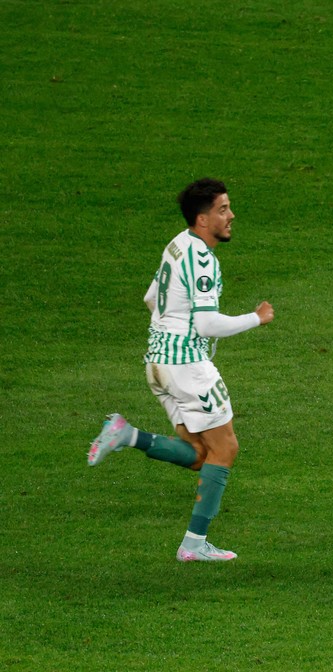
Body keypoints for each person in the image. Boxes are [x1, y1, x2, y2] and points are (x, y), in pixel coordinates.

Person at [88, 178, 274, 562]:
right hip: (187, 366)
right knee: (226, 448)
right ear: (203, 219)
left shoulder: (176, 244)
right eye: (223, 209)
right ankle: (193, 545)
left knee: (201, 455)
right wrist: (255, 319)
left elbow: (150, 298)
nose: (231, 215)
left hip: (157, 363)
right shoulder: (203, 259)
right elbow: (205, 325)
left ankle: (127, 435)